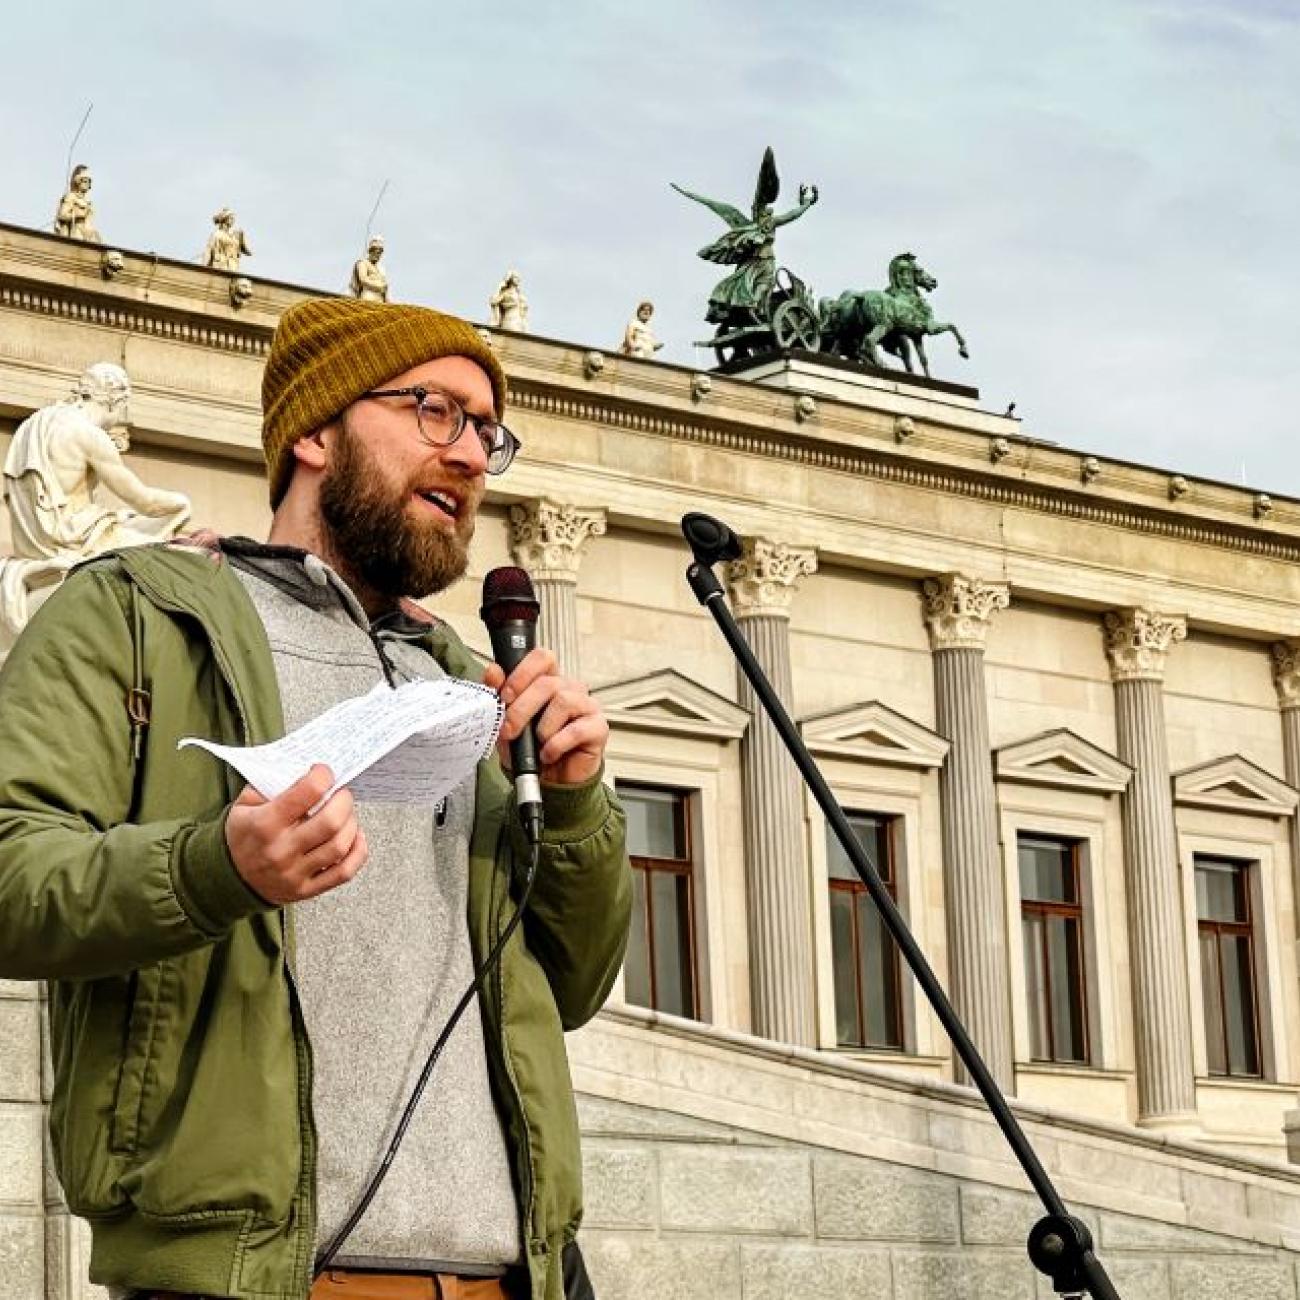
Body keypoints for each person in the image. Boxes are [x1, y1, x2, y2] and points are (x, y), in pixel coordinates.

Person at [0, 298, 632, 1300]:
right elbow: (10, 874)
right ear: (312, 430)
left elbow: (572, 985)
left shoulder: (462, 684)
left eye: (486, 432)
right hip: (255, 1277)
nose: (469, 456)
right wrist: (216, 868)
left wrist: (577, 803)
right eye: (436, 411)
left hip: (505, 1281)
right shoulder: (134, 618)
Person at [0, 362, 191, 647]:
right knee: (179, 561)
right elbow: (145, 502)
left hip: (39, 543)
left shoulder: (34, 425)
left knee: (129, 525)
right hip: (77, 539)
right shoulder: (89, 435)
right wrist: (182, 504)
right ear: (117, 400)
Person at [55, 163, 102, 242]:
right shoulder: (71, 197)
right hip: (77, 232)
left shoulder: (88, 202)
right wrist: (77, 215)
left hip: (89, 233)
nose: (88, 184)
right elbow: (62, 215)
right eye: (85, 181)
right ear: (78, 181)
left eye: (89, 182)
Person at [350, 236, 389, 302]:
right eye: (375, 252)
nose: (377, 255)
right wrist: (379, 286)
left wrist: (387, 300)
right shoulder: (363, 263)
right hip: (368, 296)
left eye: (379, 253)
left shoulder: (381, 269)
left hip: (380, 299)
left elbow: (385, 287)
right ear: (370, 251)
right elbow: (363, 280)